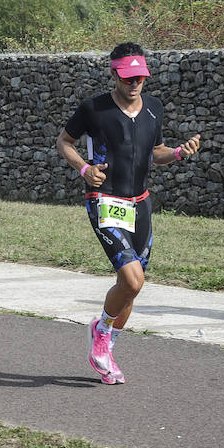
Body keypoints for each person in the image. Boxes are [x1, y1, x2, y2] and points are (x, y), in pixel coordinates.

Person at [55, 43, 200, 385]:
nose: (135, 83)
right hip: (104, 200)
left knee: (132, 287)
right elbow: (64, 142)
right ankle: (101, 331)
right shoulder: (94, 109)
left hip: (141, 203)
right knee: (132, 278)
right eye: (128, 77)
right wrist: (83, 169)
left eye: (140, 77)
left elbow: (157, 151)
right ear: (114, 74)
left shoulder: (153, 108)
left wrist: (179, 152)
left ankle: (106, 347)